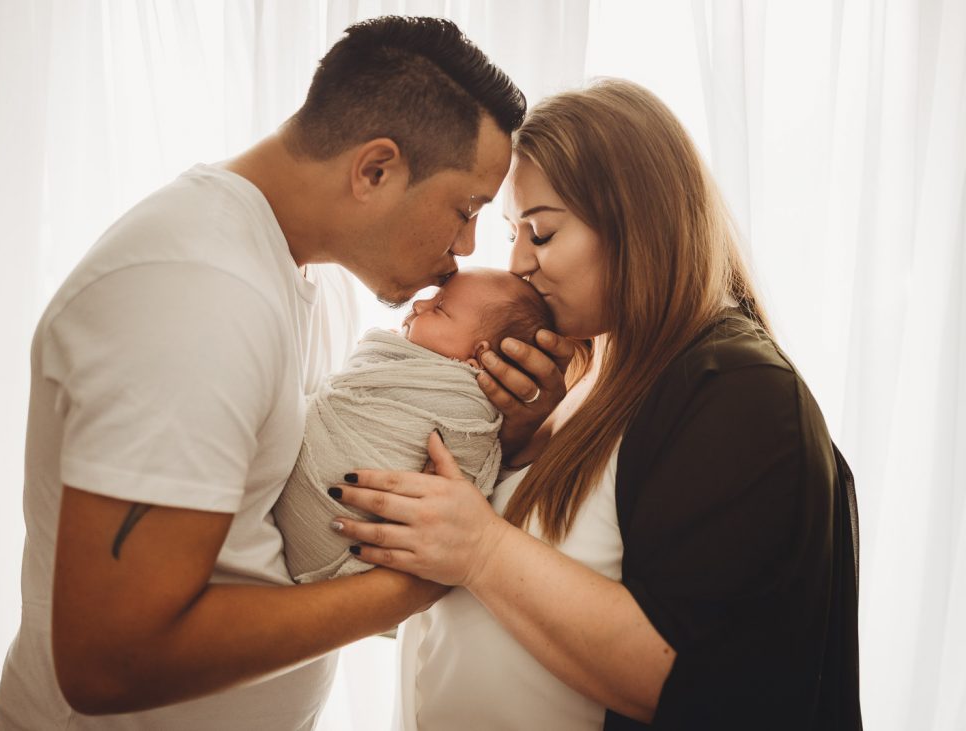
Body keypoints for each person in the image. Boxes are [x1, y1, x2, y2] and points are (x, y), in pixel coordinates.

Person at [0, 16, 571, 730]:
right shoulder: (191, 295)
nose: (469, 247)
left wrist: (501, 426)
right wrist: (426, 580)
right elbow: (112, 660)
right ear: (376, 170)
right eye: (466, 209)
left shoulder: (307, 271)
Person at [329, 79, 863, 730]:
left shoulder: (737, 390)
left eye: (541, 232)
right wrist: (511, 445)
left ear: (637, 225)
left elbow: (702, 680)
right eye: (513, 232)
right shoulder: (578, 365)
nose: (517, 262)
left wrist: (483, 550)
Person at [277, 268, 554, 584]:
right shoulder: (390, 347)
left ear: (477, 359)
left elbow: (467, 457)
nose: (419, 305)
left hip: (351, 555)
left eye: (439, 308)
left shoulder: (463, 403)